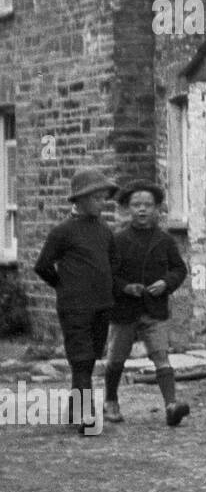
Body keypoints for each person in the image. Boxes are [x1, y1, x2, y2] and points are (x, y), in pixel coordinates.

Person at [33, 170, 119, 434]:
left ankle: (74, 409)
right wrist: (63, 285)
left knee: (89, 358)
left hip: (101, 305)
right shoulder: (63, 232)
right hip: (74, 307)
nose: (100, 203)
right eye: (95, 198)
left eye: (103, 198)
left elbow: (112, 264)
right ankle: (85, 416)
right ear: (79, 200)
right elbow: (43, 265)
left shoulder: (105, 231)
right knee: (80, 359)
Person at [105, 180, 190, 426]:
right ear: (127, 209)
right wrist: (124, 287)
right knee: (116, 359)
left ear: (157, 209)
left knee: (161, 357)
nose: (142, 210)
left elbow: (179, 269)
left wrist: (166, 283)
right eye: (136, 205)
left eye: (148, 205)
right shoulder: (118, 240)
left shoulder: (164, 240)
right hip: (124, 310)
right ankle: (111, 400)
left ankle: (171, 405)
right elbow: (108, 274)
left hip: (154, 309)